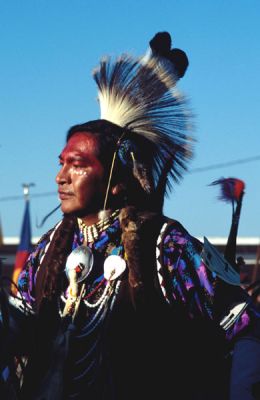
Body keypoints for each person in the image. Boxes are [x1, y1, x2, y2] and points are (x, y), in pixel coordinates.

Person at [1, 31, 260, 400]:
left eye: (77, 165)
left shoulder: (164, 246)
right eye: (60, 164)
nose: (60, 177)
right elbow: (20, 323)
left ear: (117, 181)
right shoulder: (49, 251)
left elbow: (244, 321)